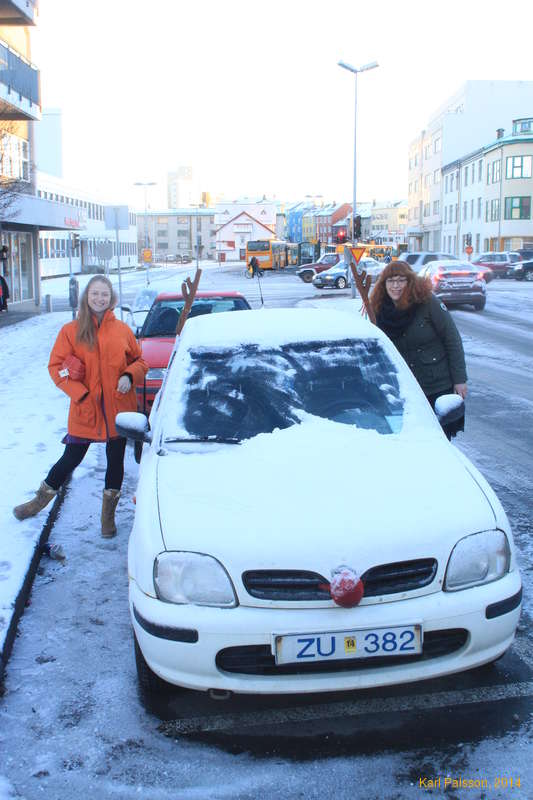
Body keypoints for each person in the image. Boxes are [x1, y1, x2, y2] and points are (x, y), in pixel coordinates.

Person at [13, 276, 148, 536]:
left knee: (115, 461)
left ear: (111, 298)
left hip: (118, 408)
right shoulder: (70, 330)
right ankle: (37, 503)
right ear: (87, 296)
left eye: (104, 294)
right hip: (85, 408)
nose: (100, 298)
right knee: (70, 458)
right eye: (95, 293)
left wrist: (129, 375)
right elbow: (56, 368)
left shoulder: (122, 330)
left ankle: (107, 519)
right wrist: (81, 394)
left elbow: (140, 361)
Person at [370, 261, 467, 439]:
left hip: (436, 386)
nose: (396, 286)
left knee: (439, 439)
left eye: (401, 280)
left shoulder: (427, 303)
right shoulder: (377, 309)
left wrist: (459, 380)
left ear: (410, 282)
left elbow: (452, 339)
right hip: (403, 389)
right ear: (384, 284)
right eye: (391, 281)